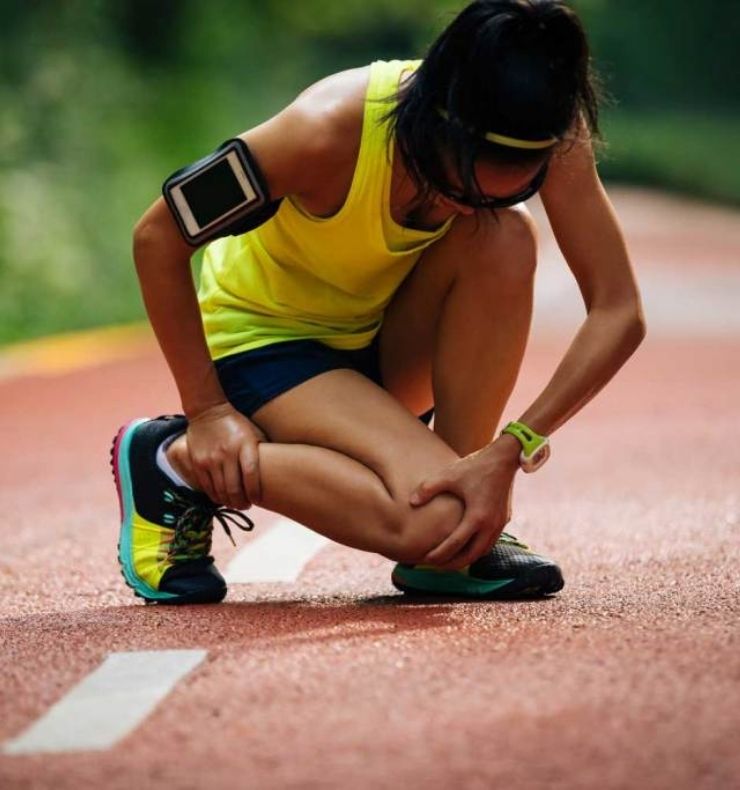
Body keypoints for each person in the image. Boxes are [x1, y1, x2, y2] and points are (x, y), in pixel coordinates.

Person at [111, 0, 645, 605]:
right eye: (455, 187)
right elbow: (157, 237)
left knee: (505, 235)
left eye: (506, 188)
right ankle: (173, 461)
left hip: (379, 342)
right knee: (439, 523)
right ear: (435, 122)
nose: (462, 208)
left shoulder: (543, 128)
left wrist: (505, 451)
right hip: (266, 345)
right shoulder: (322, 130)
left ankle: (456, 521)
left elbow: (618, 309)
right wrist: (207, 410)